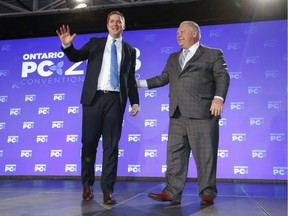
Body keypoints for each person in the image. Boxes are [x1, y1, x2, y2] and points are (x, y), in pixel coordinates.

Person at [137, 21, 230, 205]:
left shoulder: (212, 54)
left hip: (203, 113)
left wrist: (218, 98)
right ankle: (171, 191)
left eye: (182, 32)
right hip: (177, 115)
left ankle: (207, 192)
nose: (178, 35)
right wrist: (138, 84)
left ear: (194, 34)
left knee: (205, 156)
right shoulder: (173, 58)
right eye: (177, 32)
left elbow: (222, 76)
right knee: (174, 156)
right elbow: (162, 79)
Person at [56, 11, 140, 205]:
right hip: (93, 100)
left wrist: (135, 102)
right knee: (89, 144)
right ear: (107, 25)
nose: (115, 24)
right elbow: (75, 57)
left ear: (123, 26)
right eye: (112, 21)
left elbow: (129, 79)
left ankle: (108, 190)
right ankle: (87, 185)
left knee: (111, 147)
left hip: (115, 101)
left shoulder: (130, 50)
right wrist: (67, 45)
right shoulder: (95, 43)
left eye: (119, 21)